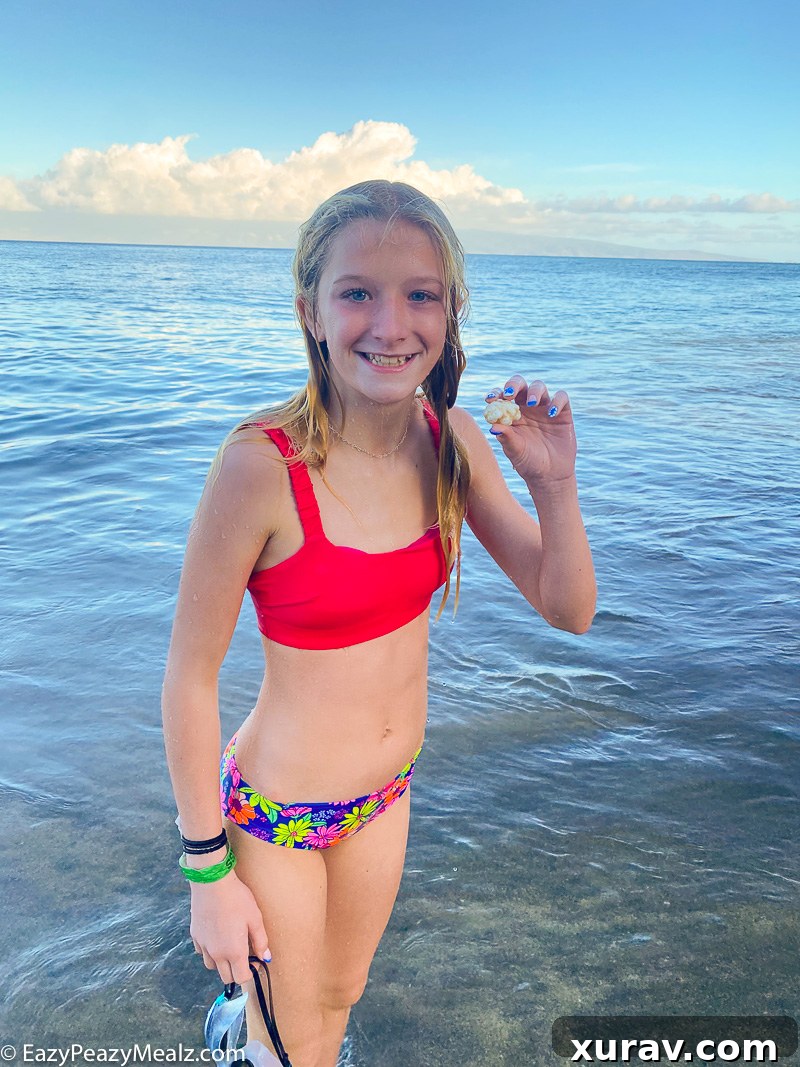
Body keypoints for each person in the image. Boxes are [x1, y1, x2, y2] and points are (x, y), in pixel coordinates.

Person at [162, 179, 596, 1067]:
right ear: (311, 311)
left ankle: (242, 1024)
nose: (390, 325)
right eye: (357, 291)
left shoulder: (453, 438)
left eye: (420, 294)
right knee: (305, 1046)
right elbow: (188, 678)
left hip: (384, 795)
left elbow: (569, 610)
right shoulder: (260, 466)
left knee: (339, 999)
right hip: (277, 810)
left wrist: (554, 484)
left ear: (450, 310)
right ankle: (244, 1038)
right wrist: (207, 872)